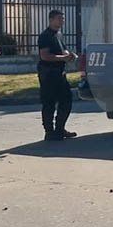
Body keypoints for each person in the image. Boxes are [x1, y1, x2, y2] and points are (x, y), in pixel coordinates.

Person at [37, 9, 77, 141]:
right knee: (49, 102)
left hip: (60, 72)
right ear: (51, 19)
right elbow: (45, 56)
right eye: (59, 18)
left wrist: (69, 55)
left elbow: (63, 49)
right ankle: (49, 132)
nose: (62, 21)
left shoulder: (58, 34)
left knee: (66, 100)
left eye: (63, 19)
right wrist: (63, 58)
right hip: (48, 73)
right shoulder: (45, 36)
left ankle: (60, 129)